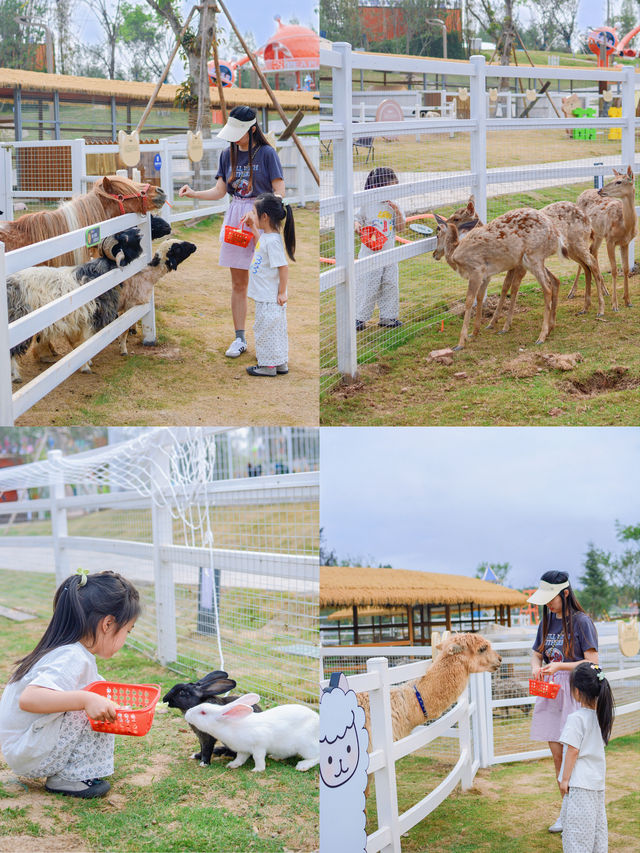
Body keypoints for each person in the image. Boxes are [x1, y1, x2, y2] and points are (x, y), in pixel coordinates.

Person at [0, 569, 140, 799]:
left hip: (26, 747)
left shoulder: (69, 651)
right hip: (28, 751)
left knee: (94, 699)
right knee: (89, 704)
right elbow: (30, 698)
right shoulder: (70, 656)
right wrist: (87, 700)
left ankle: (71, 773)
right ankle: (70, 778)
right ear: (108, 624)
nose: (126, 639)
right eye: (128, 630)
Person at [178, 105, 285, 359]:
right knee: (239, 283)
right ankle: (240, 338)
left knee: (266, 280)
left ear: (253, 129)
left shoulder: (268, 154)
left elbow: (279, 192)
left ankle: (270, 338)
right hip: (236, 219)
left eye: (240, 132)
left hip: (262, 219)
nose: (235, 137)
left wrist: (259, 214)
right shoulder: (228, 155)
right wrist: (194, 193)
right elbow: (220, 190)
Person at [528, 570, 599, 833]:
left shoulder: (582, 622)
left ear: (565, 593)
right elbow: (536, 654)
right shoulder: (546, 622)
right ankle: (566, 810)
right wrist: (538, 666)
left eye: (551, 597)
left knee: (573, 752)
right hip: (550, 691)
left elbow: (592, 662)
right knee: (557, 753)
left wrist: (559, 665)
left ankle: (579, 811)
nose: (547, 603)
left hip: (574, 691)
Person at [558, 661, 614, 853]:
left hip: (580, 784)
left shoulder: (576, 719)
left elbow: (572, 751)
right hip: (596, 783)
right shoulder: (601, 717)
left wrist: (564, 779)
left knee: (577, 832)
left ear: (577, 691)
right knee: (596, 827)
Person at [242, 192, 296, 377]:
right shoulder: (267, 237)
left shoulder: (273, 241)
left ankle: (267, 365)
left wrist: (282, 292)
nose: (252, 215)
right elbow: (260, 247)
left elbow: (283, 267)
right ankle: (279, 362)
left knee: (265, 330)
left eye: (254, 213)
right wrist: (253, 229)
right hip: (266, 295)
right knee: (275, 330)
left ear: (264, 217)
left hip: (270, 297)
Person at [354, 166, 406, 331]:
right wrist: (357, 225)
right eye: (389, 188)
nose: (392, 192)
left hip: (390, 254)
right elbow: (357, 219)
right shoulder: (367, 203)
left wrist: (397, 211)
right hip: (370, 254)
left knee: (390, 284)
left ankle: (388, 317)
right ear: (377, 188)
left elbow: (401, 228)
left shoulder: (393, 205)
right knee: (368, 285)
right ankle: (359, 318)